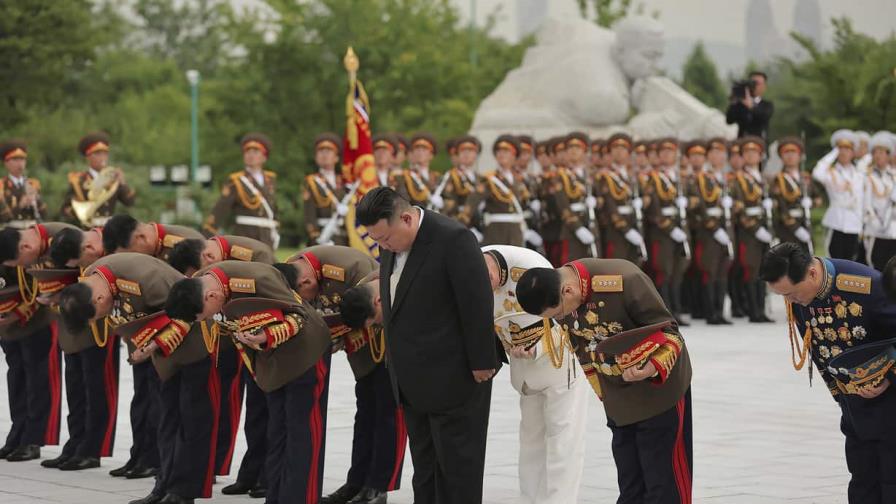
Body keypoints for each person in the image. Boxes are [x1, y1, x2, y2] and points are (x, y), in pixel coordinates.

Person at [350, 187, 501, 504]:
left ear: (406, 217)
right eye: (378, 241)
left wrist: (482, 361)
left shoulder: (453, 239)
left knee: (457, 469)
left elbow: (475, 302)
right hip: (410, 379)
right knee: (425, 469)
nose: (383, 246)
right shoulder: (392, 241)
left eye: (386, 238)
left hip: (455, 375)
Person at [515, 258, 693, 504]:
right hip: (617, 396)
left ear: (568, 290)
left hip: (659, 391)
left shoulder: (626, 281)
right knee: (631, 486)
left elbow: (671, 334)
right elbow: (580, 344)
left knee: (664, 485)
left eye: (559, 314)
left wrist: (650, 367)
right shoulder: (562, 293)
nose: (561, 319)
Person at [164, 261, 331, 504]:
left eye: (207, 314)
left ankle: (299, 498)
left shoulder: (257, 278)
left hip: (305, 352)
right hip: (268, 356)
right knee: (276, 431)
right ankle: (276, 496)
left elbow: (298, 316)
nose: (210, 317)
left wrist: (266, 335)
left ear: (211, 296)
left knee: (300, 431)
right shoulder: (202, 282)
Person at [761, 242, 896, 504]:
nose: (789, 302)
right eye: (783, 296)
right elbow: (819, 349)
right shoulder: (802, 296)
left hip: (891, 403)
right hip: (855, 406)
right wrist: (842, 395)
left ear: (812, 273)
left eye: (791, 294)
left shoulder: (866, 286)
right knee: (862, 481)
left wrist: (889, 377)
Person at [282, 246, 406, 504]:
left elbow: (375, 306)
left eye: (305, 294)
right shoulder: (293, 268)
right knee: (364, 414)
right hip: (357, 349)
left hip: (380, 342)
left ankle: (378, 485)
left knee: (386, 415)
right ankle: (356, 481)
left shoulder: (350, 268)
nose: (308, 300)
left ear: (306, 281)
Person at [481, 245, 588, 504]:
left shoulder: (530, 263)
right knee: (530, 440)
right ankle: (530, 498)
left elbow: (560, 311)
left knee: (563, 441)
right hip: (524, 370)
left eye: (489, 278)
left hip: (558, 362)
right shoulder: (469, 266)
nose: (489, 285)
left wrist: (536, 346)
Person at [643, 137, 691, 325]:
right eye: (663, 152)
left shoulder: (680, 178)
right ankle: (665, 313)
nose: (666, 155)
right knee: (665, 272)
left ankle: (677, 310)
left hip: (681, 230)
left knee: (678, 272)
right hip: (662, 234)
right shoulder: (652, 179)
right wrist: (670, 229)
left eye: (670, 152)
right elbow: (653, 211)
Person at [683, 140, 732, 325]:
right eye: (712, 153)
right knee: (709, 271)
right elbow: (699, 207)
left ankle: (720, 311)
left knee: (722, 271)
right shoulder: (700, 178)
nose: (717, 156)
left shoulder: (726, 178)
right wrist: (713, 227)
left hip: (726, 230)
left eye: (720, 153)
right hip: (709, 232)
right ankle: (710, 312)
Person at [203, 133, 279, 248]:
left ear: (264, 157)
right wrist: (206, 235)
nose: (250, 155)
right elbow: (220, 209)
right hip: (245, 236)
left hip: (267, 237)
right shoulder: (236, 180)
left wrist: (276, 230)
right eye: (247, 152)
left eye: (255, 152)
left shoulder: (270, 180)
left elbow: (274, 210)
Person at [730, 136, 775, 323]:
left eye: (754, 153)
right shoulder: (738, 180)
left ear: (760, 156)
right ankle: (753, 310)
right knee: (751, 270)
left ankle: (761, 309)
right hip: (749, 233)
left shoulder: (764, 179)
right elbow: (738, 209)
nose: (750, 156)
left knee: (763, 271)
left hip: (765, 230)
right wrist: (756, 229)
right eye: (746, 153)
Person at [460, 135, 533, 247]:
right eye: (499, 151)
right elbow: (471, 203)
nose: (501, 154)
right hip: (496, 234)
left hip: (516, 234)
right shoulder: (489, 180)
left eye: (506, 151)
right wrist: (463, 228)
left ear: (514, 155)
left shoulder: (519, 181)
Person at [542, 132, 597, 266]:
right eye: (570, 149)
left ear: (584, 152)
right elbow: (563, 206)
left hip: (591, 225)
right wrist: (577, 228)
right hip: (571, 230)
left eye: (578, 149)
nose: (573, 152)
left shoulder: (589, 175)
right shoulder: (560, 176)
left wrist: (596, 202)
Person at [61, 132, 136, 228]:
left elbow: (130, 202)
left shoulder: (113, 179)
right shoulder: (78, 181)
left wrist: (122, 183)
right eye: (97, 154)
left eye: (105, 154)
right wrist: (80, 211)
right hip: (88, 230)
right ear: (88, 157)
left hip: (109, 230)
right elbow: (65, 210)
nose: (102, 157)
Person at [813, 129, 864, 261]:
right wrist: (833, 154)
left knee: (851, 261)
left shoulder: (859, 174)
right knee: (833, 260)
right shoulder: (830, 172)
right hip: (836, 221)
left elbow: (861, 200)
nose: (844, 152)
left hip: (854, 222)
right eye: (840, 149)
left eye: (848, 149)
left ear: (853, 152)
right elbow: (817, 173)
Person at [596, 133, 644, 264]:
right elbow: (609, 205)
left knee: (635, 267)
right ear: (610, 153)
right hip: (615, 230)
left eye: (623, 149)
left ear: (628, 153)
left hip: (634, 223)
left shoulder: (632, 177)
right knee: (616, 268)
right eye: (615, 148)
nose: (619, 152)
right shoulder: (604, 177)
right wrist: (626, 229)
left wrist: (641, 203)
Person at [304, 133, 349, 246]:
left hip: (344, 237)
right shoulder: (312, 181)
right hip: (323, 235)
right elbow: (309, 213)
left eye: (329, 151)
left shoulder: (345, 182)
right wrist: (314, 236)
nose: (324, 154)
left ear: (336, 157)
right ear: (316, 157)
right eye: (321, 151)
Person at [770, 137, 814, 253]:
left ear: (800, 156)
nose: (790, 157)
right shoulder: (778, 180)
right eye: (786, 153)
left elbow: (817, 197)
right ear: (781, 157)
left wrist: (811, 202)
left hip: (805, 223)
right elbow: (779, 206)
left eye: (794, 153)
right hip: (786, 230)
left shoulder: (805, 177)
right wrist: (796, 228)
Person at [862, 132, 895, 270]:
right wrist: (874, 220)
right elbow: (866, 203)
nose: (879, 155)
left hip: (892, 229)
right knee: (875, 266)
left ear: (888, 155)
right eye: (875, 152)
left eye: (882, 152)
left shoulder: (893, 176)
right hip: (875, 228)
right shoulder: (867, 176)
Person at [0, 140, 46, 228]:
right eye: (15, 160)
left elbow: (44, 214)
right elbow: (3, 217)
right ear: (6, 163)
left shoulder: (33, 184)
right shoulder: (2, 186)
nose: (20, 163)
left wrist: (36, 199)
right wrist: (21, 205)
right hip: (11, 231)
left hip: (32, 229)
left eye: (22, 159)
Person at [725, 71, 774, 139]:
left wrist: (751, 106)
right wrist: (734, 103)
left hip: (759, 143)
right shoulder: (740, 104)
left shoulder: (767, 105)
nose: (754, 86)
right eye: (752, 83)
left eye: (757, 83)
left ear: (764, 86)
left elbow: (763, 117)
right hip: (742, 142)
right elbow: (729, 120)